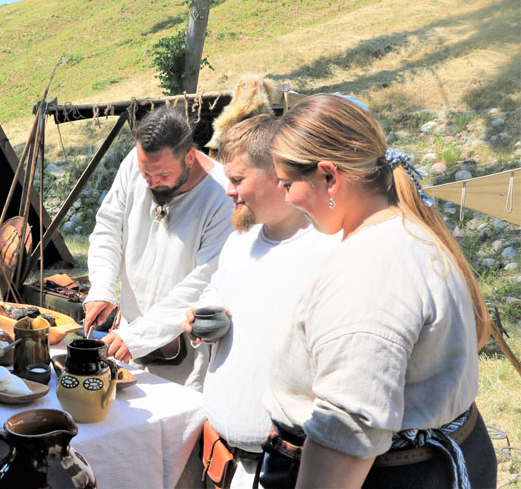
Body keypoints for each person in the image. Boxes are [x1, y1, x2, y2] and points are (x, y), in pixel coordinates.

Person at [261, 94, 496, 488]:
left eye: (287, 184)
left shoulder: (370, 271)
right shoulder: (403, 231)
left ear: (329, 176)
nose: (286, 198)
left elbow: (349, 430)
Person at [180, 115, 340, 488]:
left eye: (237, 180)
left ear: (277, 173)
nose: (229, 191)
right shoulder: (241, 239)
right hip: (224, 463)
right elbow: (219, 292)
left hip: (286, 470)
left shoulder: (328, 250)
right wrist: (204, 314)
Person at [83, 106, 233, 391]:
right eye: (145, 174)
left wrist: (141, 335)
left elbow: (203, 281)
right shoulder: (138, 164)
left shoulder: (222, 195)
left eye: (161, 175)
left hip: (185, 350)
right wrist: (102, 287)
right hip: (127, 335)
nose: (151, 183)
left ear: (189, 156)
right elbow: (108, 227)